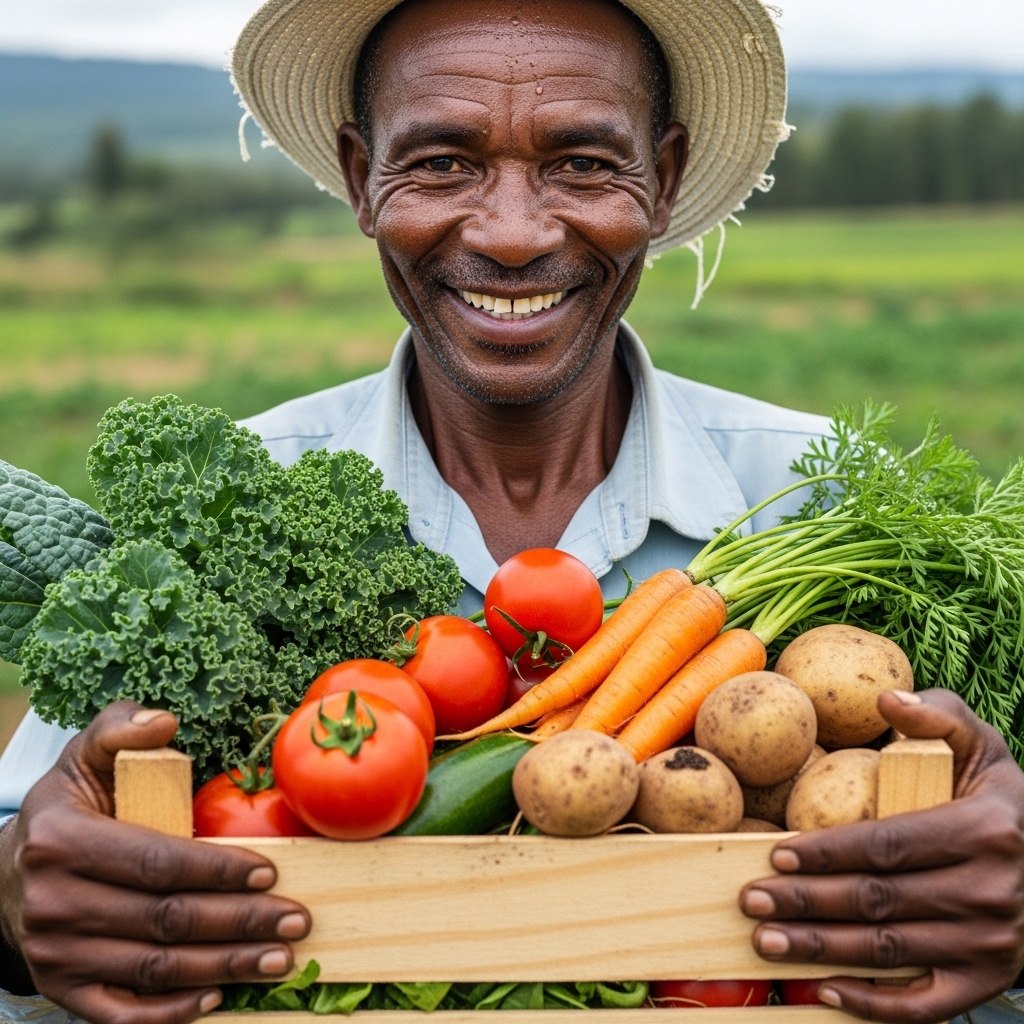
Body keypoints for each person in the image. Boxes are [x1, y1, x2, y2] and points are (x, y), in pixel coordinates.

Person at [1, 0, 1023, 1022]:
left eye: (581, 163)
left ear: (660, 181)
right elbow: (37, 840)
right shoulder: (228, 504)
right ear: (362, 180)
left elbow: (984, 841)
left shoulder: (828, 499)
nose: (512, 234)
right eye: (442, 162)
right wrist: (14, 900)